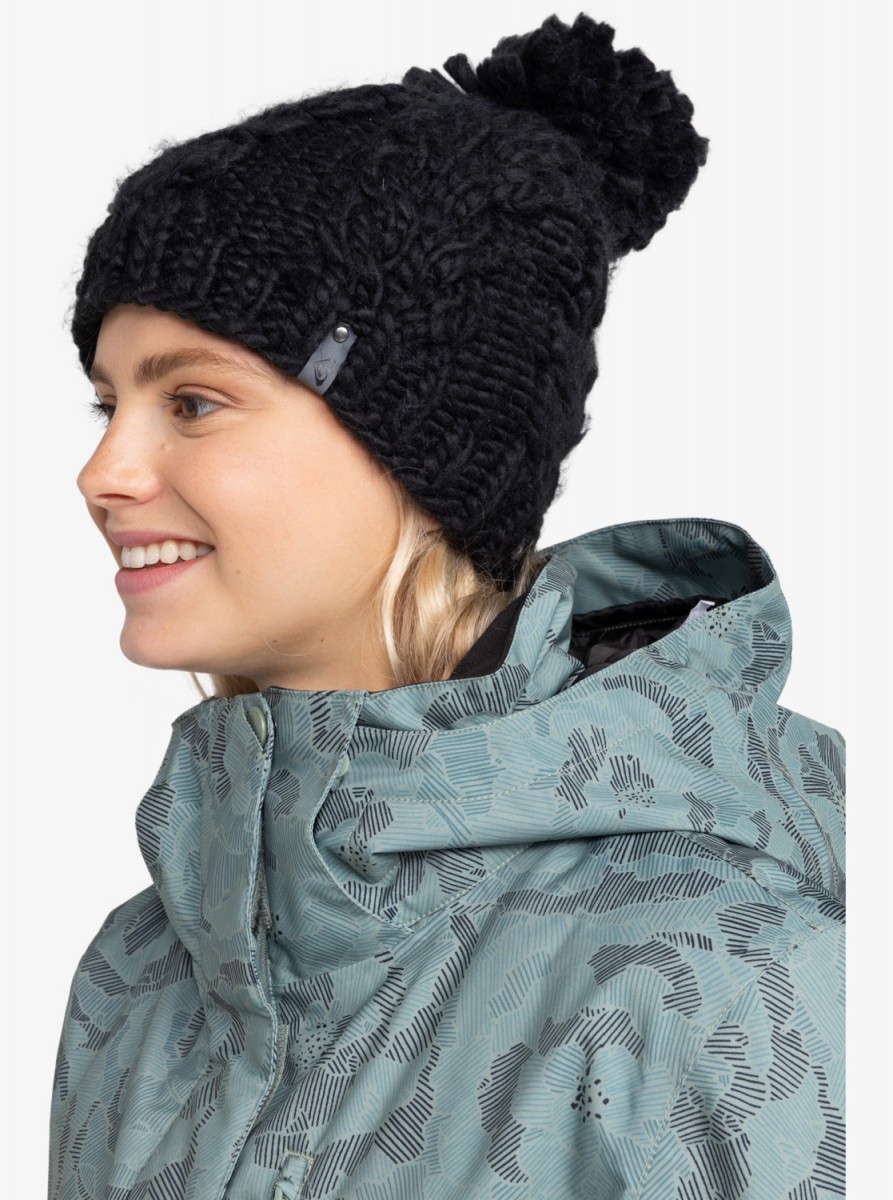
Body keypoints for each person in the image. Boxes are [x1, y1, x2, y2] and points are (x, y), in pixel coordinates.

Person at [49, 12, 845, 1199]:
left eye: (193, 403)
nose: (103, 472)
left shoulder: (719, 980)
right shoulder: (143, 980)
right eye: (105, 404)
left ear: (419, 453)